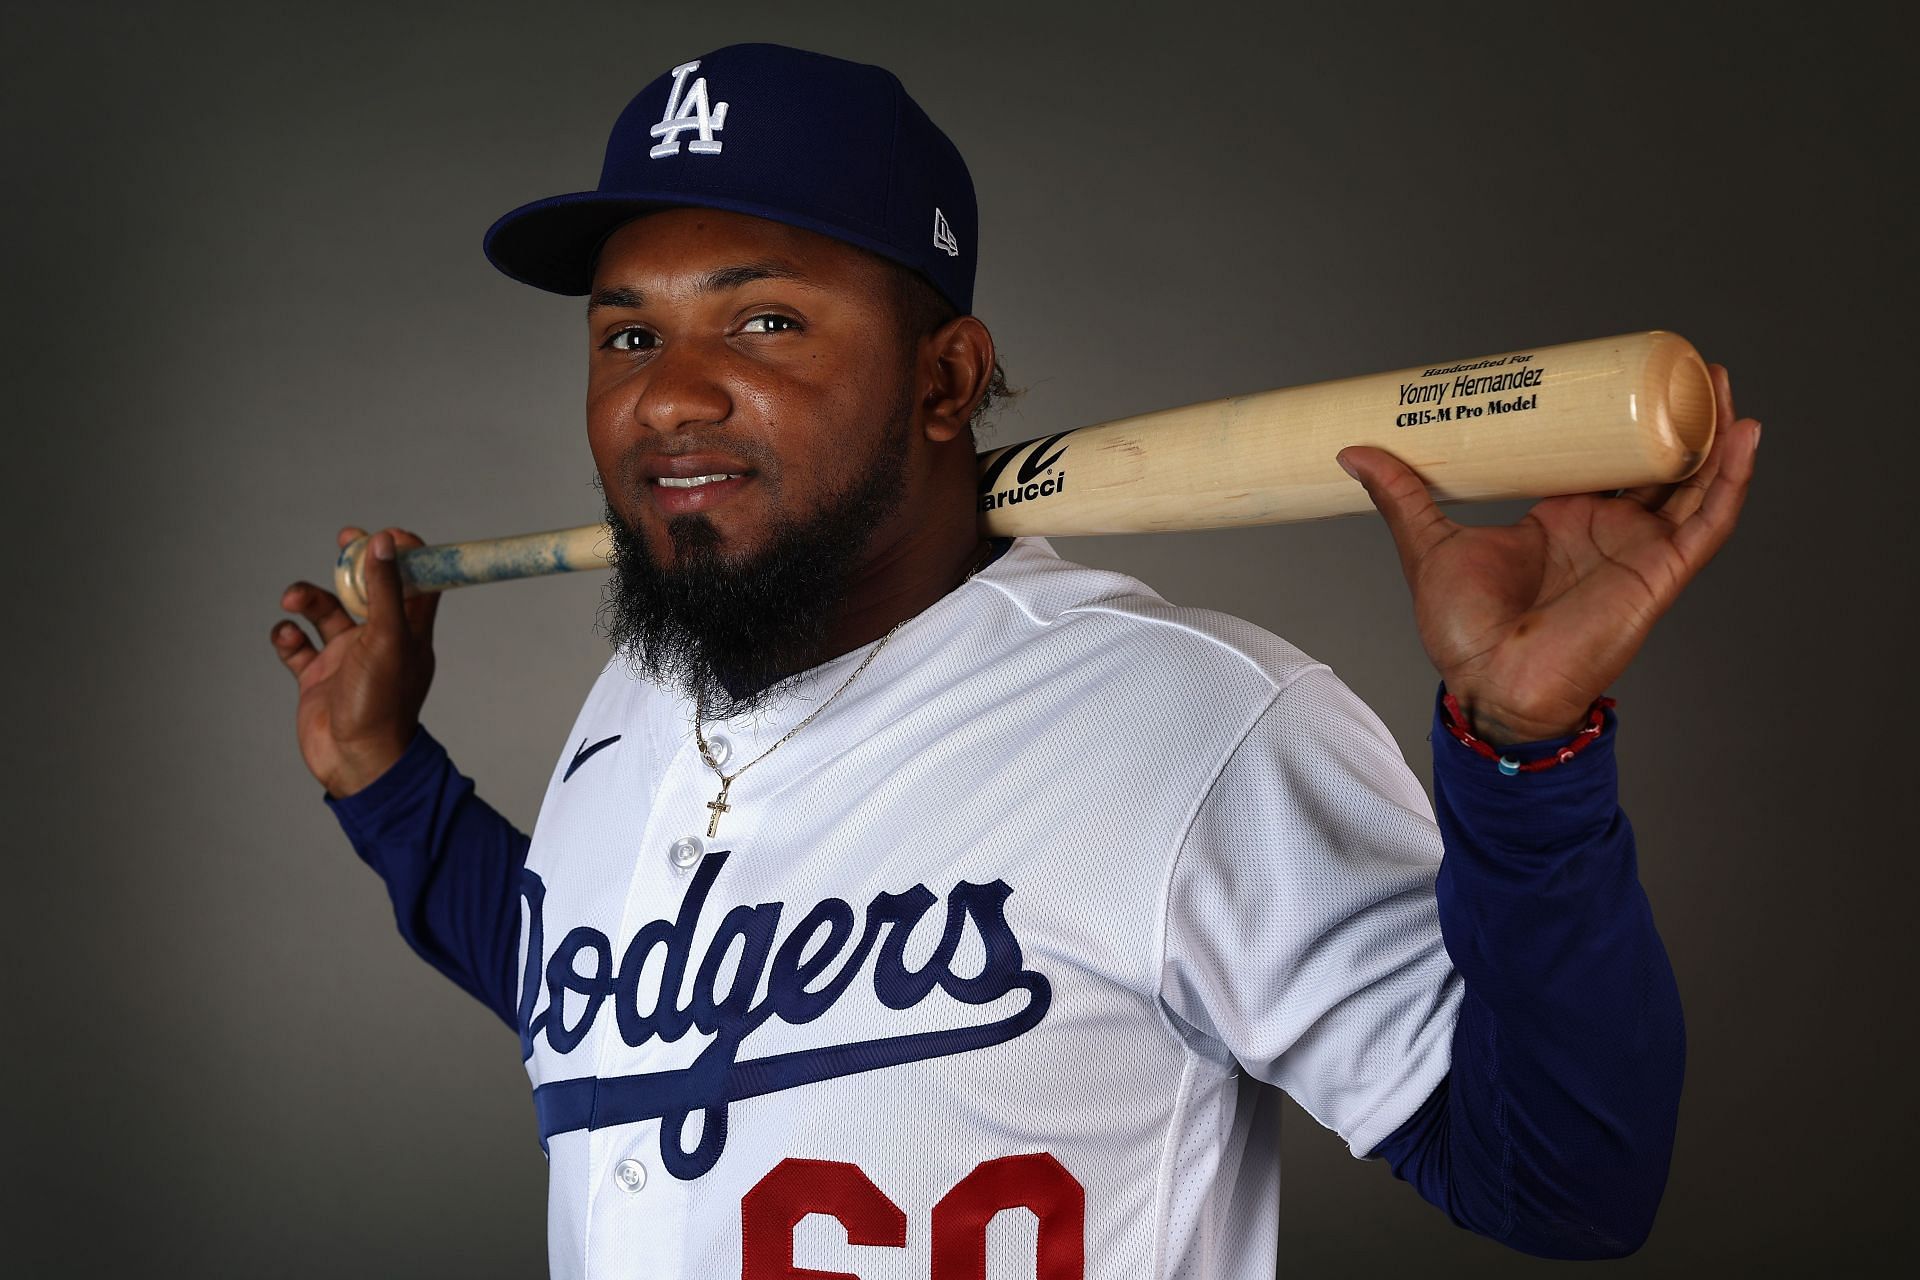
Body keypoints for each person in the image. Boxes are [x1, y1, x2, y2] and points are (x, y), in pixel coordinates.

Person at [270, 43, 1759, 1279]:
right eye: (628, 338)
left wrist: (1524, 753)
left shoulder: (1191, 724)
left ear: (947, 377)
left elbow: (1568, 1184)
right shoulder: (640, 695)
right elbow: (593, 1007)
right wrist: (383, 779)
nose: (672, 400)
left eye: (766, 320)